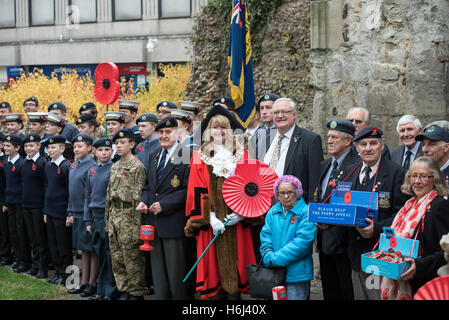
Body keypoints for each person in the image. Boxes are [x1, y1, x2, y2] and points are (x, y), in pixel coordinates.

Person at [184, 105, 258, 300]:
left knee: (236, 277)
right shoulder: (199, 157)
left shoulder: (242, 155)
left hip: (237, 224)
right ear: (209, 131)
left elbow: (251, 187)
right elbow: (195, 191)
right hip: (211, 227)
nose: (219, 131)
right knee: (213, 280)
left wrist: (243, 213)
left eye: (223, 127)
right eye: (215, 127)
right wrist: (209, 218)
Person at [340, 126, 409, 300]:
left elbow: (402, 214)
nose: (368, 148)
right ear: (356, 148)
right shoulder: (349, 171)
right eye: (363, 144)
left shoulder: (396, 173)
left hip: (380, 255)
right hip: (354, 255)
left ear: (382, 145)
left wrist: (376, 228)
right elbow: (343, 206)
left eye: (373, 143)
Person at [136, 117, 192, 300]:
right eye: (160, 132)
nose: (163, 136)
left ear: (177, 133)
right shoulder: (154, 155)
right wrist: (144, 201)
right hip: (153, 223)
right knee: (159, 276)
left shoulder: (187, 155)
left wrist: (165, 204)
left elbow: (188, 190)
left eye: (168, 132)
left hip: (174, 223)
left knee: (176, 276)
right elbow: (148, 186)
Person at [380, 156, 449, 299]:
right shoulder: (409, 205)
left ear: (434, 179)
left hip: (426, 285)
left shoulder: (439, 206)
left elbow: (444, 252)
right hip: (401, 277)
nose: (417, 181)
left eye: (423, 176)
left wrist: (419, 265)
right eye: (414, 176)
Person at [314, 120, 359, 300]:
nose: (329, 141)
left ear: (348, 141)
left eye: (334, 137)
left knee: (346, 291)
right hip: (324, 240)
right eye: (328, 137)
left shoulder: (356, 165)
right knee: (329, 291)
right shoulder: (325, 165)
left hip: (344, 241)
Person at [105, 128, 147, 300]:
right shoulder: (115, 166)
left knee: (132, 257)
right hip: (115, 214)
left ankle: (136, 292)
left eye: (122, 143)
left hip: (130, 215)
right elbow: (109, 196)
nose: (119, 146)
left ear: (132, 144)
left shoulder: (137, 167)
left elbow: (138, 199)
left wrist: (137, 227)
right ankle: (123, 289)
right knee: (117, 256)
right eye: (117, 143)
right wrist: (107, 221)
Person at [260, 175, 316, 300]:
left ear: (297, 193)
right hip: (274, 272)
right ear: (277, 194)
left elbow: (302, 243)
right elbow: (265, 237)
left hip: (297, 273)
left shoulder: (305, 212)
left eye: (289, 192)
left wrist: (276, 259)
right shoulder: (273, 211)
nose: (286, 196)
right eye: (282, 193)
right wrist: (268, 255)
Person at [263, 98, 323, 203]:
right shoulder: (265, 139)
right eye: (276, 112)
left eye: (284, 112)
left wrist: (311, 210)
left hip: (296, 208)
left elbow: (315, 180)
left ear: (294, 115)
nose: (280, 115)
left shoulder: (310, 139)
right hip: (265, 207)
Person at [84, 138, 119, 300]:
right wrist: (87, 220)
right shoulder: (91, 171)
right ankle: (100, 289)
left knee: (109, 255)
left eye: (106, 150)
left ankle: (109, 291)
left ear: (112, 151)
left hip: (108, 216)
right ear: (95, 152)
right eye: (100, 150)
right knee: (99, 254)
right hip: (94, 217)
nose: (103, 153)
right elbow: (87, 196)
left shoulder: (114, 169)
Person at [67, 134, 97, 297]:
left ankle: (92, 283)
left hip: (87, 215)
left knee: (91, 249)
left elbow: (90, 195)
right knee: (83, 250)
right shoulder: (73, 165)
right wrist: (70, 212)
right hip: (77, 214)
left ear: (90, 148)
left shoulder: (91, 167)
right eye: (75, 147)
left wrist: (87, 217)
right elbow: (71, 192)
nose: (77, 149)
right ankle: (84, 282)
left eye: (81, 146)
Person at [43, 135, 73, 285]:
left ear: (62, 149)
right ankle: (58, 271)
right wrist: (45, 211)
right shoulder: (48, 166)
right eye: (49, 148)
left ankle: (67, 275)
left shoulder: (66, 167)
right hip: (51, 211)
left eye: (54, 147)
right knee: (53, 244)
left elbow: (69, 192)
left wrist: (69, 213)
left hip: (62, 212)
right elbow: (47, 189)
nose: (50, 150)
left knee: (63, 245)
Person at [21, 133, 51, 279]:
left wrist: (45, 207)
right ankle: (35, 264)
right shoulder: (24, 162)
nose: (28, 148)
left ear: (39, 146)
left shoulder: (42, 163)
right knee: (31, 237)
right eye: (26, 146)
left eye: (31, 145)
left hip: (38, 205)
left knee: (40, 238)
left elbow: (46, 185)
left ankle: (42, 267)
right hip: (26, 205)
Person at [2, 134, 28, 273]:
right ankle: (17, 259)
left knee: (20, 232)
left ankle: (24, 260)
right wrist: (6, 202)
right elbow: (7, 184)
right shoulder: (6, 162)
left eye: (8, 146)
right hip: (10, 202)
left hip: (19, 203)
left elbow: (23, 185)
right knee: (12, 231)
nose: (5, 148)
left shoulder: (21, 164)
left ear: (17, 148)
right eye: (4, 145)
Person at [0, 133, 12, 267]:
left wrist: (5, 201)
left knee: (4, 229)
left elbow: (7, 183)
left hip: (2, 198)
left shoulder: (5, 160)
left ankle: (5, 255)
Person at [257, 93, 279, 160]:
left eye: (268, 108)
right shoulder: (256, 134)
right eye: (261, 108)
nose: (264, 112)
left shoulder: (283, 133)